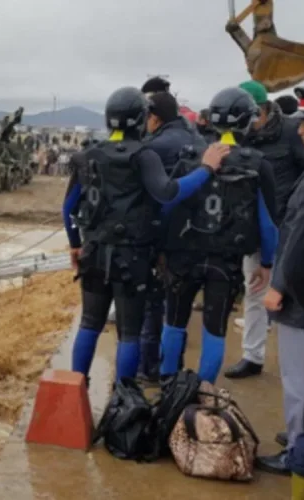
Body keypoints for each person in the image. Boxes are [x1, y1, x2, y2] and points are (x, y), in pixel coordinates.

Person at [62, 86, 225, 383]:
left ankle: (75, 389)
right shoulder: (144, 155)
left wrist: (75, 245)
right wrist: (205, 170)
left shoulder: (87, 155)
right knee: (129, 332)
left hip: (94, 251)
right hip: (132, 256)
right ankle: (123, 399)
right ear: (140, 119)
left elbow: (68, 208)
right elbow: (167, 193)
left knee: (89, 323)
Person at [159, 86, 278, 384]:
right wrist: (266, 262)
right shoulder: (258, 163)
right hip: (224, 262)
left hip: (183, 256)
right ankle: (202, 391)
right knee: (215, 327)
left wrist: (160, 249)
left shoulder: (191, 156)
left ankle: (167, 384)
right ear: (247, 121)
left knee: (173, 322)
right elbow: (267, 223)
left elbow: (167, 204)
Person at [224, 80, 304, 380]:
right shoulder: (240, 136)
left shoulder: (291, 132)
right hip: (256, 227)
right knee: (256, 289)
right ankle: (253, 355)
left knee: (296, 294)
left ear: (261, 109)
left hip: (292, 225)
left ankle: (301, 367)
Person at [253, 86, 304, 475]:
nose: (300, 130)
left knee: (299, 377)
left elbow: (300, 235)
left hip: (300, 296)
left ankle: (299, 450)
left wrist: (279, 286)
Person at [137, 91, 206, 383]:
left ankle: (150, 368)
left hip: (163, 233)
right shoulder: (199, 141)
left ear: (154, 118)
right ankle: (174, 369)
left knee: (153, 305)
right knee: (177, 310)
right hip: (196, 235)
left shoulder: (154, 146)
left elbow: (154, 194)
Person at [277, 87, 304, 499]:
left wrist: (290, 293)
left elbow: (300, 254)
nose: (301, 130)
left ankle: (296, 454)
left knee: (303, 389)